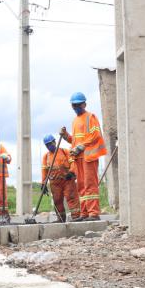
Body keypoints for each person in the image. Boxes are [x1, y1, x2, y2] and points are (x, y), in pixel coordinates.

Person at [59, 92, 107, 221]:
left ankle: (93, 213)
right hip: (78, 158)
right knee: (81, 185)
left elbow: (95, 135)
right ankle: (85, 213)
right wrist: (66, 136)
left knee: (90, 184)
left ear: (84, 104)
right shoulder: (75, 121)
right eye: (74, 105)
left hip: (89, 156)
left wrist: (82, 146)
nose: (76, 107)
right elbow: (75, 141)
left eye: (78, 105)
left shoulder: (90, 117)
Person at [41, 134, 80, 222]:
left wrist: (71, 172)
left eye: (50, 143)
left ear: (54, 142)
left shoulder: (64, 151)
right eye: (47, 145)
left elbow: (72, 162)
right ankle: (61, 218)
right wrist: (43, 183)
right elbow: (44, 171)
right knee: (57, 200)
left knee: (71, 197)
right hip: (55, 183)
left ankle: (76, 217)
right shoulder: (46, 156)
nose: (49, 146)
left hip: (67, 180)